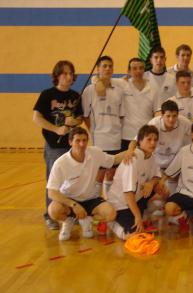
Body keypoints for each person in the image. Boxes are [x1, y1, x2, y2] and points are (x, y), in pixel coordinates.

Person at [47, 127, 127, 241]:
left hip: (90, 198)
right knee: (53, 211)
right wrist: (74, 205)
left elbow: (115, 159)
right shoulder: (61, 163)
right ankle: (68, 221)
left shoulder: (94, 153)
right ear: (70, 142)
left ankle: (86, 219)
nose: (81, 144)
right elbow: (51, 192)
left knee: (111, 214)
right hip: (70, 201)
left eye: (84, 140)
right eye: (77, 141)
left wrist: (134, 149)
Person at [33, 60, 83, 230]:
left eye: (71, 74)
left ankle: (69, 213)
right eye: (64, 73)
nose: (68, 77)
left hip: (72, 146)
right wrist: (56, 129)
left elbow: (80, 118)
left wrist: (73, 121)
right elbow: (37, 117)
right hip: (54, 146)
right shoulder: (47, 94)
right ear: (57, 76)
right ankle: (50, 215)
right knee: (54, 182)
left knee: (71, 181)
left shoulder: (75, 96)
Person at [107, 125, 165, 240]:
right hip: (121, 203)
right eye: (149, 139)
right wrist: (137, 218)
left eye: (155, 140)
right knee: (134, 236)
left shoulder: (151, 156)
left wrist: (151, 183)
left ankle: (145, 217)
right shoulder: (133, 159)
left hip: (136, 198)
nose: (153, 143)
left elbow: (157, 176)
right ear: (139, 141)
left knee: (163, 190)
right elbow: (128, 194)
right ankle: (112, 223)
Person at [82, 55, 125, 195]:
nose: (108, 69)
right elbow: (85, 115)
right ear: (97, 69)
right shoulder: (89, 90)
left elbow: (121, 115)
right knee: (99, 175)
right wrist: (93, 131)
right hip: (99, 140)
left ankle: (109, 203)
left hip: (115, 139)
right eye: (104, 66)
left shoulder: (118, 90)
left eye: (110, 66)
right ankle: (95, 201)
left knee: (111, 174)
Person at [120, 58, 159, 151]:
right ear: (128, 71)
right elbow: (101, 80)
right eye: (134, 68)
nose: (138, 71)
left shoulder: (153, 87)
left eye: (141, 68)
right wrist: (94, 78)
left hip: (146, 137)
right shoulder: (122, 85)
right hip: (127, 135)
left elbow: (157, 112)